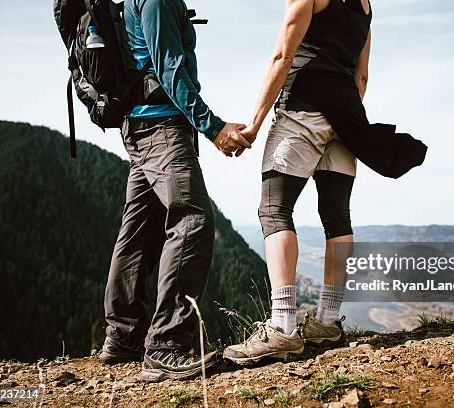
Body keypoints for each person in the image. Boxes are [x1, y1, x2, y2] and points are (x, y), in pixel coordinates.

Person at [98, 0, 251, 381]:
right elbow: (169, 69)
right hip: (162, 127)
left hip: (141, 127)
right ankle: (167, 343)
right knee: (194, 219)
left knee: (138, 232)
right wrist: (212, 127)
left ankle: (124, 336)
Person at [224, 0, 375, 366]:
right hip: (348, 116)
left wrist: (255, 124)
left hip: (303, 109)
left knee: (274, 209)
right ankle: (327, 322)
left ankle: (283, 327)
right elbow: (362, 76)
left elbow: (282, 55)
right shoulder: (366, 6)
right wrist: (344, 117)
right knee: (337, 217)